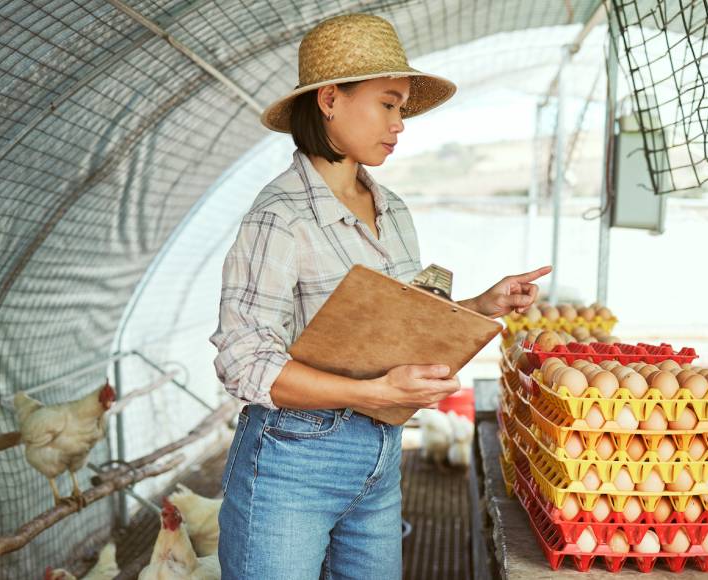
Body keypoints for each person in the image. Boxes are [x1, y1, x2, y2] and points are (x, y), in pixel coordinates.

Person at [209, 13, 551, 580]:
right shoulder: (280, 218)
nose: (399, 124)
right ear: (329, 99)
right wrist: (374, 392)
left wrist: (478, 306)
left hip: (381, 456)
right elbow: (244, 363)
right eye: (388, 104)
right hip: (292, 464)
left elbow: (401, 321)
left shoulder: (392, 210)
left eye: (403, 109)